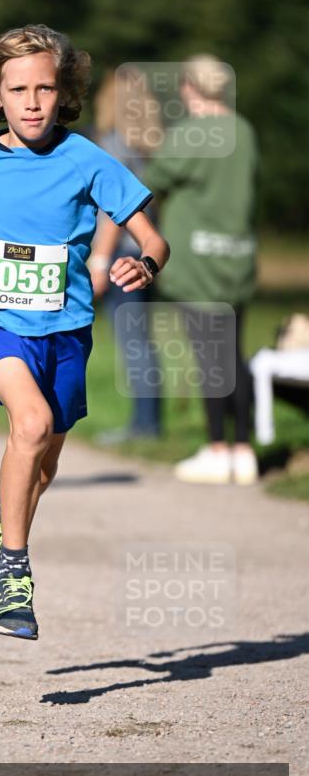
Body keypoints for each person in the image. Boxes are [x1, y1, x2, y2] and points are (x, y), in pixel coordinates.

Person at [0, 25, 169, 640]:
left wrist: (145, 263)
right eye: (19, 89)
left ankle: (3, 521)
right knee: (27, 425)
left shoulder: (87, 159)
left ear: (64, 95)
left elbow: (152, 236)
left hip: (66, 330)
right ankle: (12, 579)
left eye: (46, 88)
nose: (33, 101)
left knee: (43, 459)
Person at [144, 55, 259, 485]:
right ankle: (243, 449)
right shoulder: (244, 130)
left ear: (190, 88)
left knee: (209, 356)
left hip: (197, 261)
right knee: (233, 352)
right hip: (238, 257)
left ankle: (216, 448)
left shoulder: (190, 133)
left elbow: (152, 182)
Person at [88, 68, 164, 442]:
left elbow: (114, 212)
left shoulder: (116, 142)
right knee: (141, 339)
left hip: (121, 254)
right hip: (145, 251)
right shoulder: (150, 142)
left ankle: (144, 425)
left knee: (132, 339)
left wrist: (100, 261)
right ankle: (148, 420)